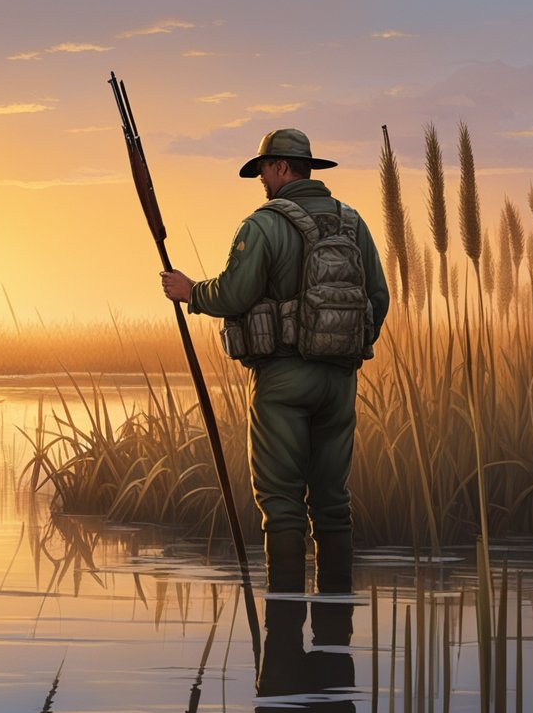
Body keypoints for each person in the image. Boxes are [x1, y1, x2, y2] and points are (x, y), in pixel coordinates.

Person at [160, 128, 389, 594]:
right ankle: (334, 635)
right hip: (340, 382)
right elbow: (379, 299)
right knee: (332, 502)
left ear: (282, 167)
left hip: (283, 381)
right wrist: (346, 348)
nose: (262, 179)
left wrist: (191, 293)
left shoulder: (262, 224)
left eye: (264, 169)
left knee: (282, 504)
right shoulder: (353, 222)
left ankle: (283, 635)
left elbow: (236, 293)